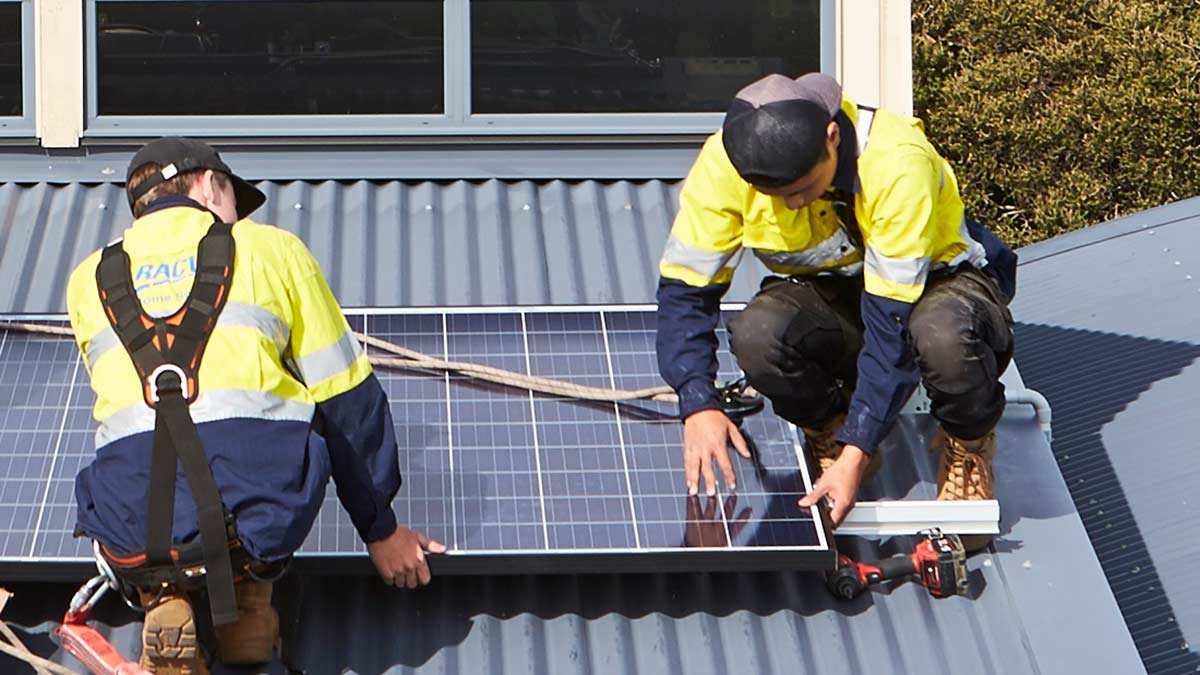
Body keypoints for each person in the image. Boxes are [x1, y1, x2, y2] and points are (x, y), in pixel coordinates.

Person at [65, 137, 445, 674]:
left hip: (129, 524)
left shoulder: (88, 280)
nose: (236, 216)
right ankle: (248, 602)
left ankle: (163, 593)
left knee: (158, 461)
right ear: (209, 185)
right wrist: (381, 529)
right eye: (232, 200)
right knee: (282, 441)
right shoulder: (271, 250)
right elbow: (346, 400)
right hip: (257, 510)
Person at [655, 73, 1016, 546]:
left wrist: (857, 452)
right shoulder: (726, 163)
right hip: (840, 296)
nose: (793, 202)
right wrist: (696, 401)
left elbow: (893, 325)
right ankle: (831, 426)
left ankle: (967, 445)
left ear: (832, 136)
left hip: (939, 290)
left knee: (941, 335)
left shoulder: (896, 164)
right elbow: (685, 289)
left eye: (803, 187)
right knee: (758, 333)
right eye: (777, 195)